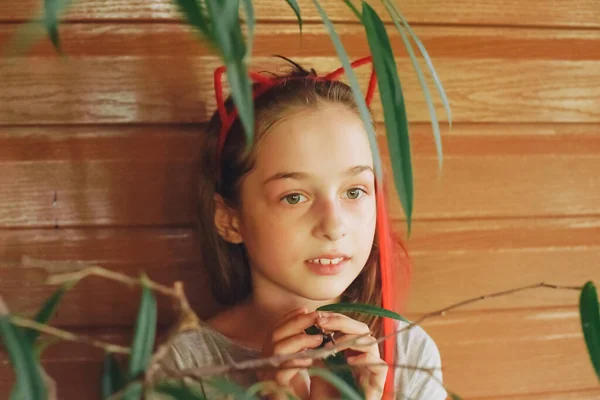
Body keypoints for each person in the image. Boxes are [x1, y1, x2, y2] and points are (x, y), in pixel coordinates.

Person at [154, 55, 446, 400]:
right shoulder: (185, 365)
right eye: (294, 197)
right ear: (228, 219)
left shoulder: (407, 353)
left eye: (354, 191)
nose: (334, 225)